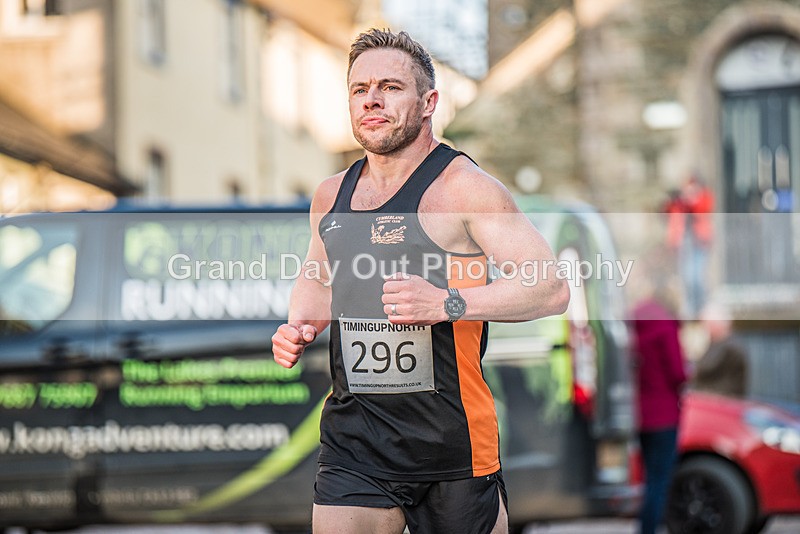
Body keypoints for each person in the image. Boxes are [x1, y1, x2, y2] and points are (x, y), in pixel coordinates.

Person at [271, 28, 570, 534]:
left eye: (390, 87)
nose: (372, 100)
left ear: (429, 102)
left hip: (451, 444)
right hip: (356, 439)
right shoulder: (330, 195)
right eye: (360, 89)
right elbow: (318, 275)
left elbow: (550, 287)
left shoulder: (464, 189)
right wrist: (300, 323)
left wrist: (446, 303)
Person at [631, 283, 688, 534]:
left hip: (640, 415)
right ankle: (649, 529)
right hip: (664, 415)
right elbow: (678, 373)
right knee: (660, 480)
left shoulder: (634, 328)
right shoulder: (666, 327)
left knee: (649, 480)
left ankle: (646, 527)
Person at [693, 302, 748, 398]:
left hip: (723, 402)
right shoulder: (716, 343)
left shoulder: (731, 347)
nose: (704, 328)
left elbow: (704, 369)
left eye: (706, 324)